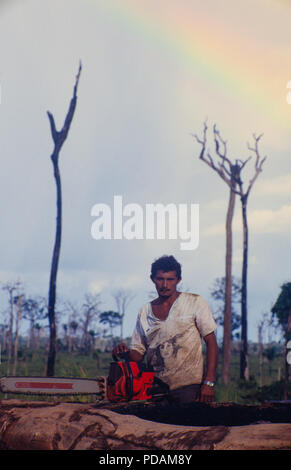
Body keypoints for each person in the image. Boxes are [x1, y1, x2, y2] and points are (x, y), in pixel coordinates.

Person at [113, 255, 219, 405]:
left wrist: (209, 383)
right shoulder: (145, 312)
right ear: (152, 279)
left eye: (170, 279)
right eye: (160, 279)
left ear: (178, 280)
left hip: (189, 388)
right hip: (156, 389)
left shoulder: (194, 303)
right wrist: (123, 351)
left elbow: (212, 342)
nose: (165, 284)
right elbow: (138, 355)